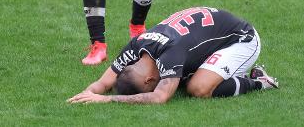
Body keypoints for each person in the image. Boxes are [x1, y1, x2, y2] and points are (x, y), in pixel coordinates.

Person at [68, 6, 279, 104]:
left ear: (150, 79)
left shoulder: (170, 54)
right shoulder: (135, 46)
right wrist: (87, 94)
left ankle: (260, 82)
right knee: (186, 80)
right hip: (213, 32)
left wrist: (108, 101)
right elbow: (103, 82)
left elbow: (160, 97)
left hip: (242, 39)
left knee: (198, 88)